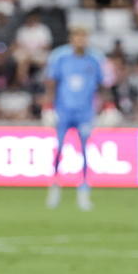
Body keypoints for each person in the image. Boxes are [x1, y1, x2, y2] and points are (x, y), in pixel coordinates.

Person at [42, 25, 105, 211]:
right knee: (59, 148)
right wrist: (48, 107)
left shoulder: (94, 59)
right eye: (77, 37)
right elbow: (52, 83)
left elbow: (102, 85)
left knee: (85, 151)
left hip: (85, 112)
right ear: (72, 39)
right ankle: (54, 186)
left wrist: (107, 107)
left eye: (83, 37)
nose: (80, 41)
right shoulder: (60, 57)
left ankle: (83, 191)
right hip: (64, 110)